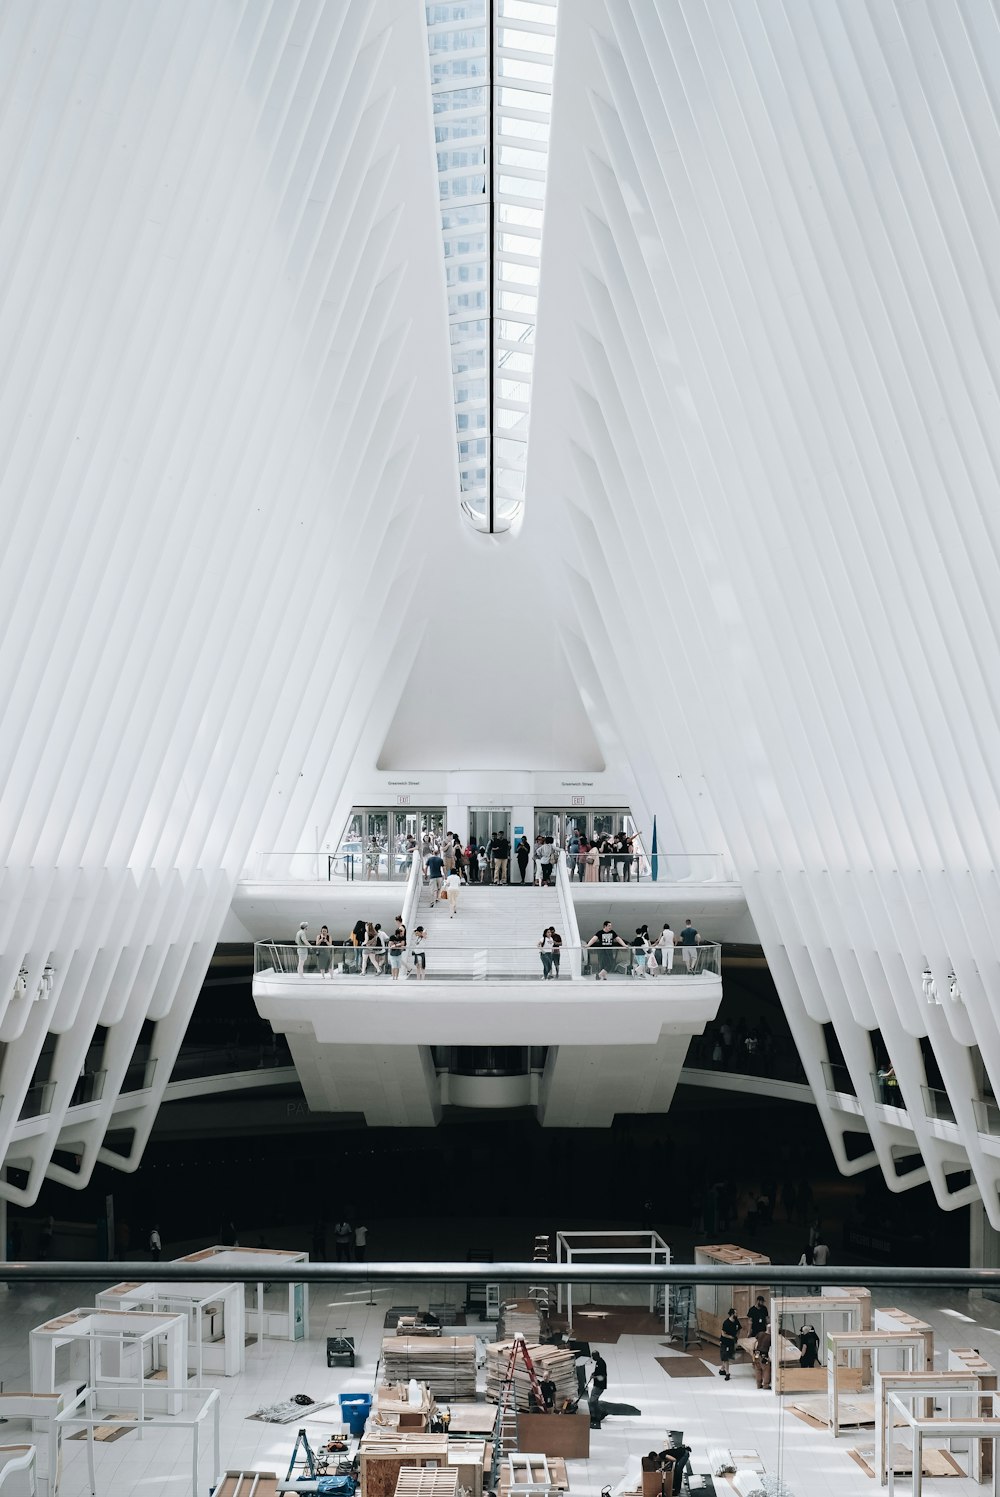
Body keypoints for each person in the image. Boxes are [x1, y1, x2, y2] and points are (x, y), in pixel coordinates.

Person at [719, 1306, 740, 1380]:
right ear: (732, 1314)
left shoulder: (736, 1321)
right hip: (725, 1342)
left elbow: (739, 1329)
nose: (737, 1314)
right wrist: (731, 1337)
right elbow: (723, 1334)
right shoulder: (726, 1323)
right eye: (736, 1313)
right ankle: (727, 1373)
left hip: (731, 1343)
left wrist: (736, 1337)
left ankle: (722, 1369)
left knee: (728, 1356)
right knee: (726, 1357)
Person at [589, 1350, 608, 1427]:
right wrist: (594, 1373)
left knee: (592, 1401)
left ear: (596, 1356)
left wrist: (595, 1377)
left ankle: (601, 1412)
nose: (592, 1358)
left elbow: (603, 1376)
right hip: (597, 1384)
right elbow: (598, 1372)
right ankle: (596, 1414)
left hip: (599, 1385)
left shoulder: (601, 1363)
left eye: (593, 1356)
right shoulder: (598, 1362)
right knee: (594, 1400)